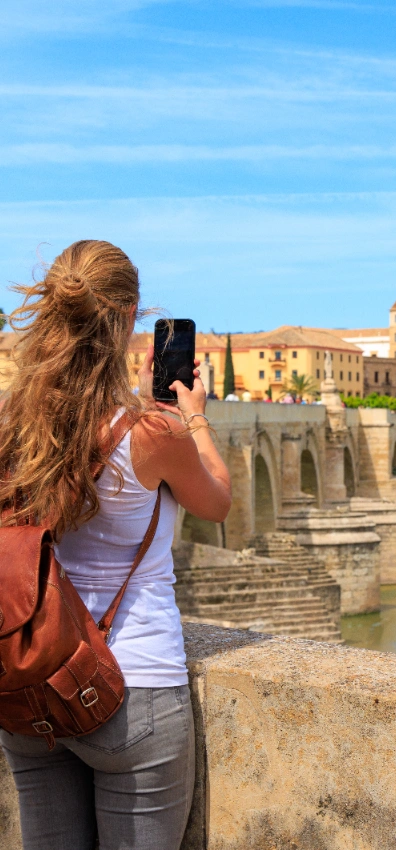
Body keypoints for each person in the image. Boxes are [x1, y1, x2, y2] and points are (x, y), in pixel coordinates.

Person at [0, 240, 231, 850]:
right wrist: (195, 418)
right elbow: (217, 503)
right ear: (130, 323)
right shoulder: (151, 432)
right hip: (135, 690)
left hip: (33, 681)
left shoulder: (12, 424)